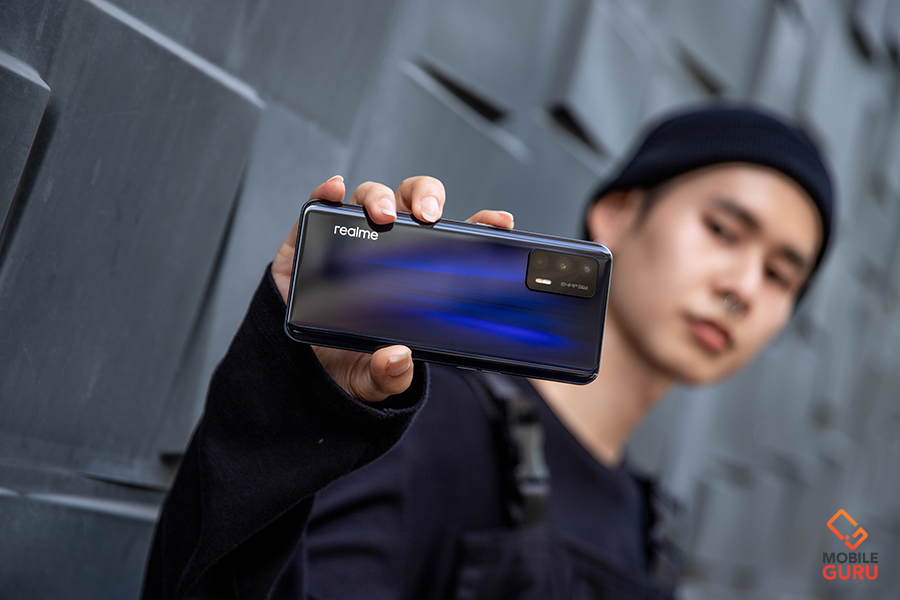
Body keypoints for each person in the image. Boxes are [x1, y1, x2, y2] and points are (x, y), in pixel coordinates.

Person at [141, 104, 835, 599]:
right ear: (619, 213)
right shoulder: (426, 423)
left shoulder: (648, 529)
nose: (744, 288)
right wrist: (297, 404)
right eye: (723, 230)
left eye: (780, 275)